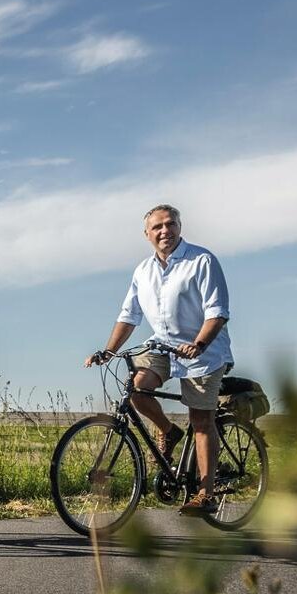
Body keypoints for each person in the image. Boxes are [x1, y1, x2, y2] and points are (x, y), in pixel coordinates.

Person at [86, 204, 233, 515]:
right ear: (147, 234)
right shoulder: (143, 271)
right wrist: (108, 351)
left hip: (203, 352)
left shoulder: (201, 261)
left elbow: (217, 311)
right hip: (163, 348)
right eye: (158, 227)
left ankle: (205, 494)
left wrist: (199, 343)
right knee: (137, 389)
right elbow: (129, 316)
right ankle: (168, 430)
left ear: (180, 227)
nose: (165, 231)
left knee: (201, 420)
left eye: (171, 224)